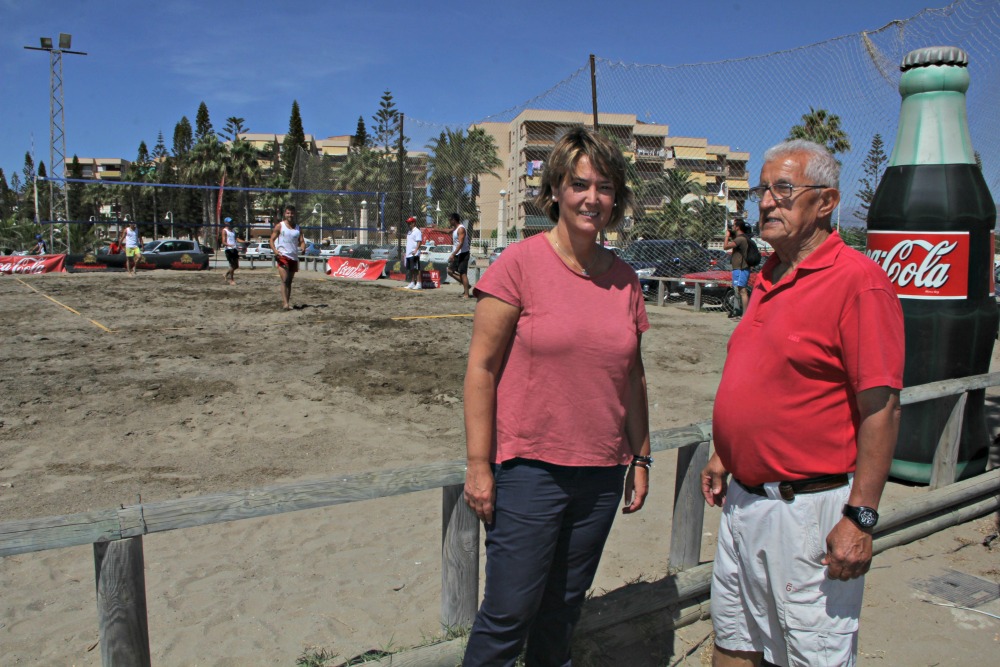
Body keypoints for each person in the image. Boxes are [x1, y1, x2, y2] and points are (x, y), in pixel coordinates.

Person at [701, 139, 905, 667]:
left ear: (826, 202)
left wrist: (860, 518)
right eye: (761, 190)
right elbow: (767, 381)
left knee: (810, 655)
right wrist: (728, 452)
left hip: (807, 514)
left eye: (783, 190)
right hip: (742, 505)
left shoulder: (859, 284)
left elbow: (881, 408)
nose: (766, 202)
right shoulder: (767, 277)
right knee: (733, 642)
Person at [462, 126, 652, 666]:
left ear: (617, 199)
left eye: (605, 187)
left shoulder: (627, 280)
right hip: (529, 471)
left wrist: (640, 457)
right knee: (507, 615)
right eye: (580, 184)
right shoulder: (519, 265)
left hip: (599, 473)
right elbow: (480, 368)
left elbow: (633, 376)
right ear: (556, 193)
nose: (593, 198)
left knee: (563, 612)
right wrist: (480, 465)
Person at [270, 204, 306, 310]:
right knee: (284, 280)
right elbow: (271, 240)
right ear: (285, 214)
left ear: (295, 214)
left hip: (293, 256)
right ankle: (285, 304)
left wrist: (303, 248)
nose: (290, 215)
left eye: (292, 213)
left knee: (289, 281)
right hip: (282, 255)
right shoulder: (280, 226)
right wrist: (275, 251)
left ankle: (287, 302)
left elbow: (302, 241)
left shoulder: (298, 228)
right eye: (288, 213)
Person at [723, 218, 751, 318]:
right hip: (738, 268)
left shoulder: (740, 239)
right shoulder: (741, 238)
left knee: (742, 291)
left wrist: (726, 236)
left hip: (741, 268)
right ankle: (739, 310)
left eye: (734, 225)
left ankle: (745, 314)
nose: (732, 227)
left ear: (738, 227)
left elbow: (725, 247)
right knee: (738, 290)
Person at [447, 213, 472, 298]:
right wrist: (436, 229)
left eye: (450, 220)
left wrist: (453, 254)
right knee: (450, 271)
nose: (449, 221)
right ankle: (466, 285)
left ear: (454, 220)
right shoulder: (455, 229)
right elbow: (447, 231)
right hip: (457, 253)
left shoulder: (461, 229)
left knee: (463, 273)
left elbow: (461, 244)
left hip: (463, 253)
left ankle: (466, 294)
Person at [219, 217, 240, 285]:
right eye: (229, 222)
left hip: (234, 249)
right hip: (229, 250)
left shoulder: (233, 231)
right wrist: (229, 245)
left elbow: (237, 239)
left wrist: (245, 241)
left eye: (231, 222)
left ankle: (226, 274)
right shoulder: (224, 230)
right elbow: (223, 242)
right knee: (232, 265)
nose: (230, 223)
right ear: (226, 223)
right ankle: (231, 280)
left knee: (236, 266)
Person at [404, 216, 422, 290]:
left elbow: (419, 242)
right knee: (411, 269)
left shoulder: (417, 231)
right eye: (408, 223)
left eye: (410, 223)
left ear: (414, 223)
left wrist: (416, 250)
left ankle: (419, 283)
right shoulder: (409, 232)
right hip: (409, 253)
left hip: (414, 253)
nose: (409, 224)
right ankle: (412, 283)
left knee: (416, 269)